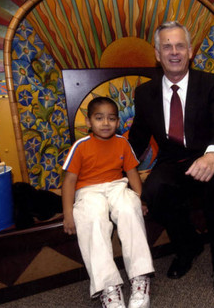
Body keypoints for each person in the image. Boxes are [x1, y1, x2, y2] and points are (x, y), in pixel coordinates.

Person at [128, 21, 214, 299]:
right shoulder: (144, 93)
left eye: (180, 46)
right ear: (157, 53)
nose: (174, 52)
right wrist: (112, 170)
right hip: (174, 161)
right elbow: (137, 139)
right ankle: (188, 245)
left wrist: (213, 155)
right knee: (153, 190)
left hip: (209, 156)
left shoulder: (212, 83)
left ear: (190, 51)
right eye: (167, 46)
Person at [62, 97, 154, 308]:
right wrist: (68, 214)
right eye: (99, 118)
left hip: (116, 186)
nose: (105, 123)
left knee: (129, 208)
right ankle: (108, 288)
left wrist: (141, 199)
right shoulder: (80, 146)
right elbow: (69, 181)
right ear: (88, 122)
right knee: (92, 218)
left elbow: (132, 173)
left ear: (117, 122)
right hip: (88, 191)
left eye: (111, 118)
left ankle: (140, 278)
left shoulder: (122, 143)